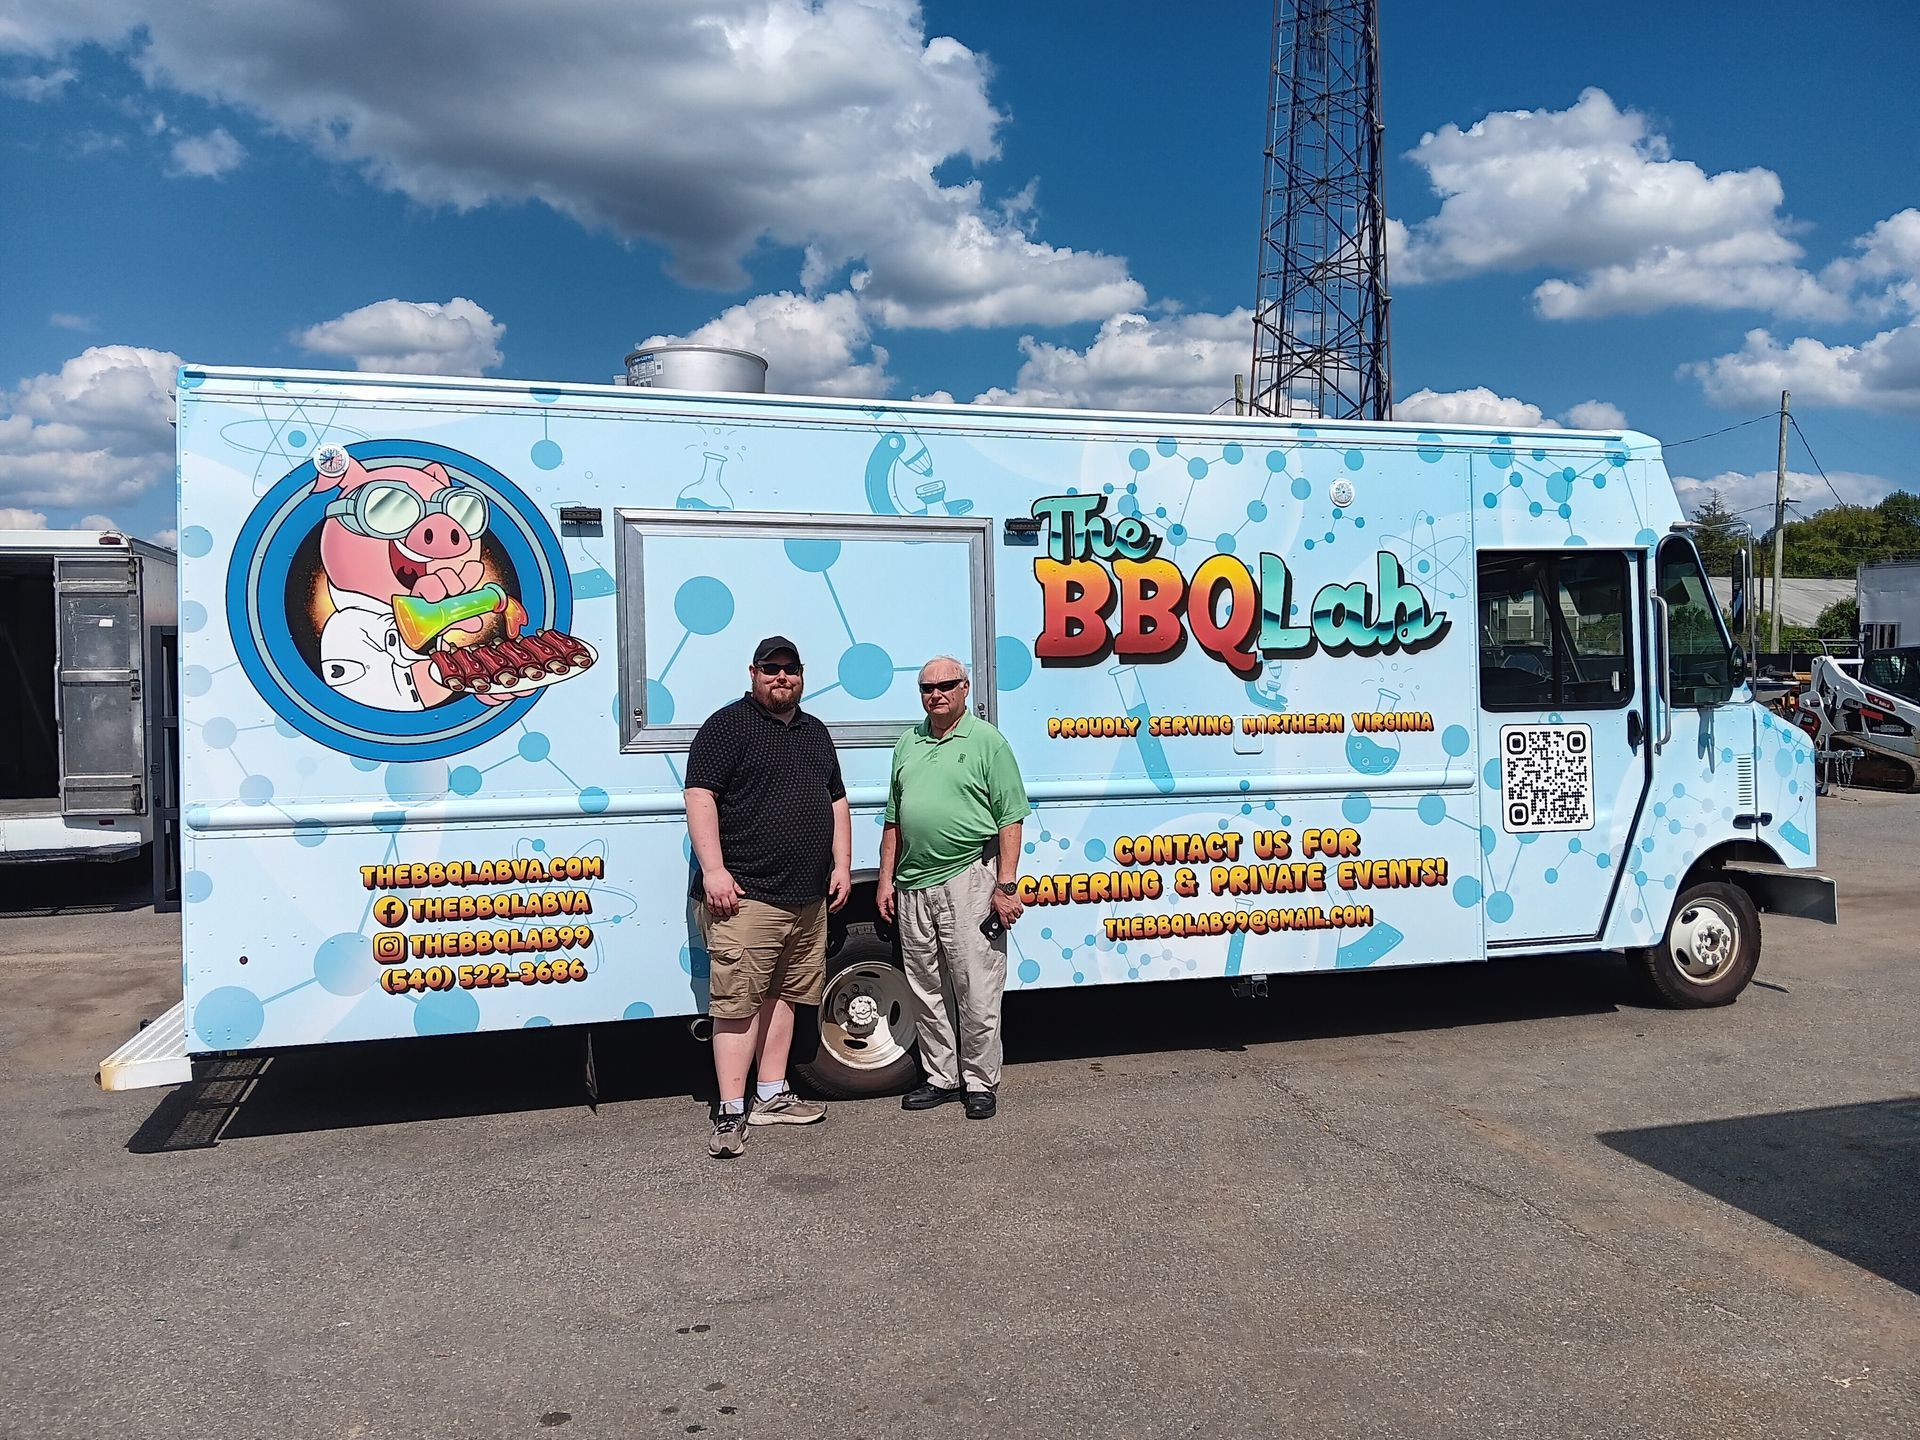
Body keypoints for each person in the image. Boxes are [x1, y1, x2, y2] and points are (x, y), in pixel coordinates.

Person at [685, 636, 851, 1158]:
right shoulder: (727, 726)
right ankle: (731, 1111)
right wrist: (714, 870)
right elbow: (700, 796)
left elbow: (837, 800)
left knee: (785, 997)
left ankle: (772, 1095)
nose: (782, 677)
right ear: (753, 672)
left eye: (790, 668)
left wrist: (842, 864)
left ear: (802, 674)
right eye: (771, 668)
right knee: (737, 1004)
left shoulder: (814, 731)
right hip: (747, 897)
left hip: (807, 897)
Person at [877, 656, 1029, 1119]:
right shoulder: (908, 742)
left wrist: (1006, 885)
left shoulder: (988, 742)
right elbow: (893, 820)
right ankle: (941, 1077)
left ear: (965, 688)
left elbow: (1010, 818)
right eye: (927, 688)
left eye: (946, 685)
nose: (936, 694)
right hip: (912, 884)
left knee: (976, 986)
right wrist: (885, 880)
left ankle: (980, 1082)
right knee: (925, 987)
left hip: (969, 879)